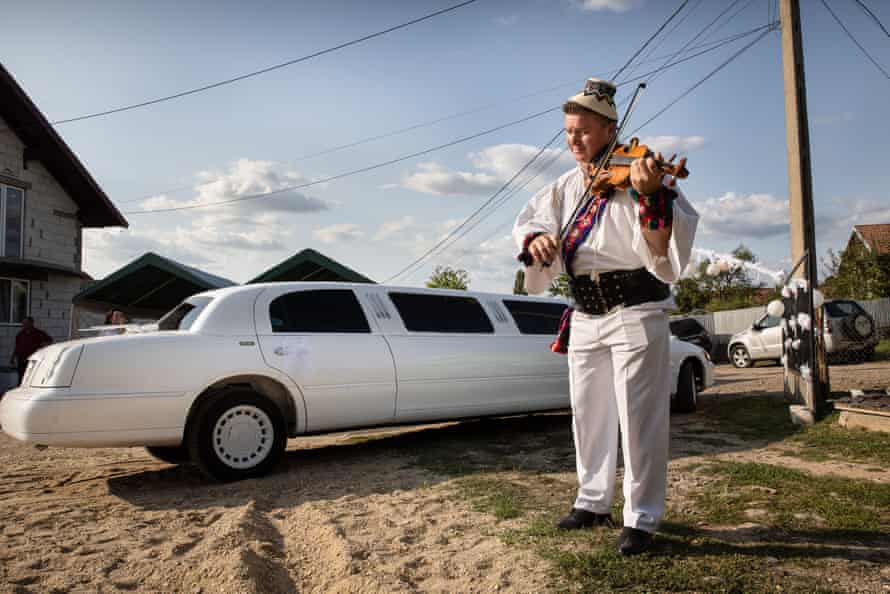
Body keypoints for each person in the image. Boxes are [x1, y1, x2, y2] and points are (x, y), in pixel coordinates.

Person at [513, 78, 698, 556]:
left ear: (611, 129)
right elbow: (532, 220)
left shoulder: (642, 173)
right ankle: (593, 500)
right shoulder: (565, 186)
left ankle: (642, 518)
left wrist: (651, 194)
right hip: (585, 312)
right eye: (568, 132)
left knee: (639, 418)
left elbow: (666, 246)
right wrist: (536, 240)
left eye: (583, 131)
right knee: (588, 413)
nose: (573, 140)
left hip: (635, 309)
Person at [10, 317, 53, 386]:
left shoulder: (38, 333)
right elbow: (17, 347)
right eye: (23, 323)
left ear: (31, 323)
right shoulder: (20, 334)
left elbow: (49, 340)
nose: (24, 325)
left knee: (31, 377)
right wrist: (12, 358)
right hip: (21, 360)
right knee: (21, 377)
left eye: (26, 323)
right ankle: (20, 390)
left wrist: (42, 346)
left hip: (33, 360)